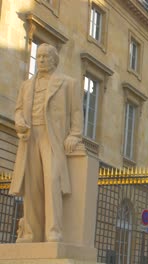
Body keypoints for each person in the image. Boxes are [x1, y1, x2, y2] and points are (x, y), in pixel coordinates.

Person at [9, 43, 83, 242]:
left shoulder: (68, 83)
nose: (41, 60)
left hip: (53, 138)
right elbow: (18, 109)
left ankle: (54, 231)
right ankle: (31, 233)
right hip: (29, 137)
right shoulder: (26, 86)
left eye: (45, 57)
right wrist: (19, 121)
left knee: (52, 182)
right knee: (31, 186)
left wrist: (74, 134)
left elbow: (76, 112)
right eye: (39, 56)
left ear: (54, 60)